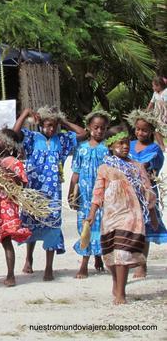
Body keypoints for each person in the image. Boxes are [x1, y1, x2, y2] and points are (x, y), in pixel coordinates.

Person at [13, 106, 86, 281]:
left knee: (52, 224)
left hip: (53, 191)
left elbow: (83, 134)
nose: (50, 129)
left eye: (53, 125)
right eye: (47, 125)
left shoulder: (62, 140)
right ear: (40, 125)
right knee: (31, 222)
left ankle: (48, 267)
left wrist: (63, 121)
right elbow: (14, 133)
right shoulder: (31, 138)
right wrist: (25, 113)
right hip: (33, 189)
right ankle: (29, 258)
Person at [85, 127, 156, 304]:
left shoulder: (137, 167)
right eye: (121, 143)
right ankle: (116, 283)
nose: (125, 146)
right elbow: (98, 192)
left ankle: (121, 293)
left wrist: (153, 215)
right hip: (111, 215)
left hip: (131, 215)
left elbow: (148, 191)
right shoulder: (105, 168)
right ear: (111, 146)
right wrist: (92, 214)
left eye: (127, 143)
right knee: (111, 253)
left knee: (123, 252)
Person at [0, 128, 31, 286]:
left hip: (8, 204)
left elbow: (22, 182)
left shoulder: (14, 162)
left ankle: (11, 274)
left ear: (9, 145)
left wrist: (5, 171)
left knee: (5, 239)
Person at [68, 110, 110, 278]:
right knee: (85, 226)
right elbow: (76, 173)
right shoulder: (81, 149)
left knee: (100, 226)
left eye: (103, 128)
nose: (99, 131)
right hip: (85, 196)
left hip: (103, 196)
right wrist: (71, 193)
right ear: (89, 127)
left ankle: (97, 257)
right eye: (96, 127)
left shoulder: (107, 150)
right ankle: (85, 262)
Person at [126, 109, 167, 278]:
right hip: (127, 191)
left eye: (144, 130)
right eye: (137, 129)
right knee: (130, 227)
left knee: (145, 227)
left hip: (145, 191)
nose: (140, 133)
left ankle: (142, 264)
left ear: (151, 131)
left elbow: (154, 172)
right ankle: (131, 259)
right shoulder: (128, 145)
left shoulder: (154, 149)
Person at [146, 76, 167, 151]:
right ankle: (161, 146)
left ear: (159, 85)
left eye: (153, 86)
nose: (152, 87)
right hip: (157, 115)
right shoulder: (155, 93)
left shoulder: (165, 92)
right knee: (156, 130)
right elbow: (151, 103)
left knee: (164, 129)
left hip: (165, 114)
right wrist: (146, 112)